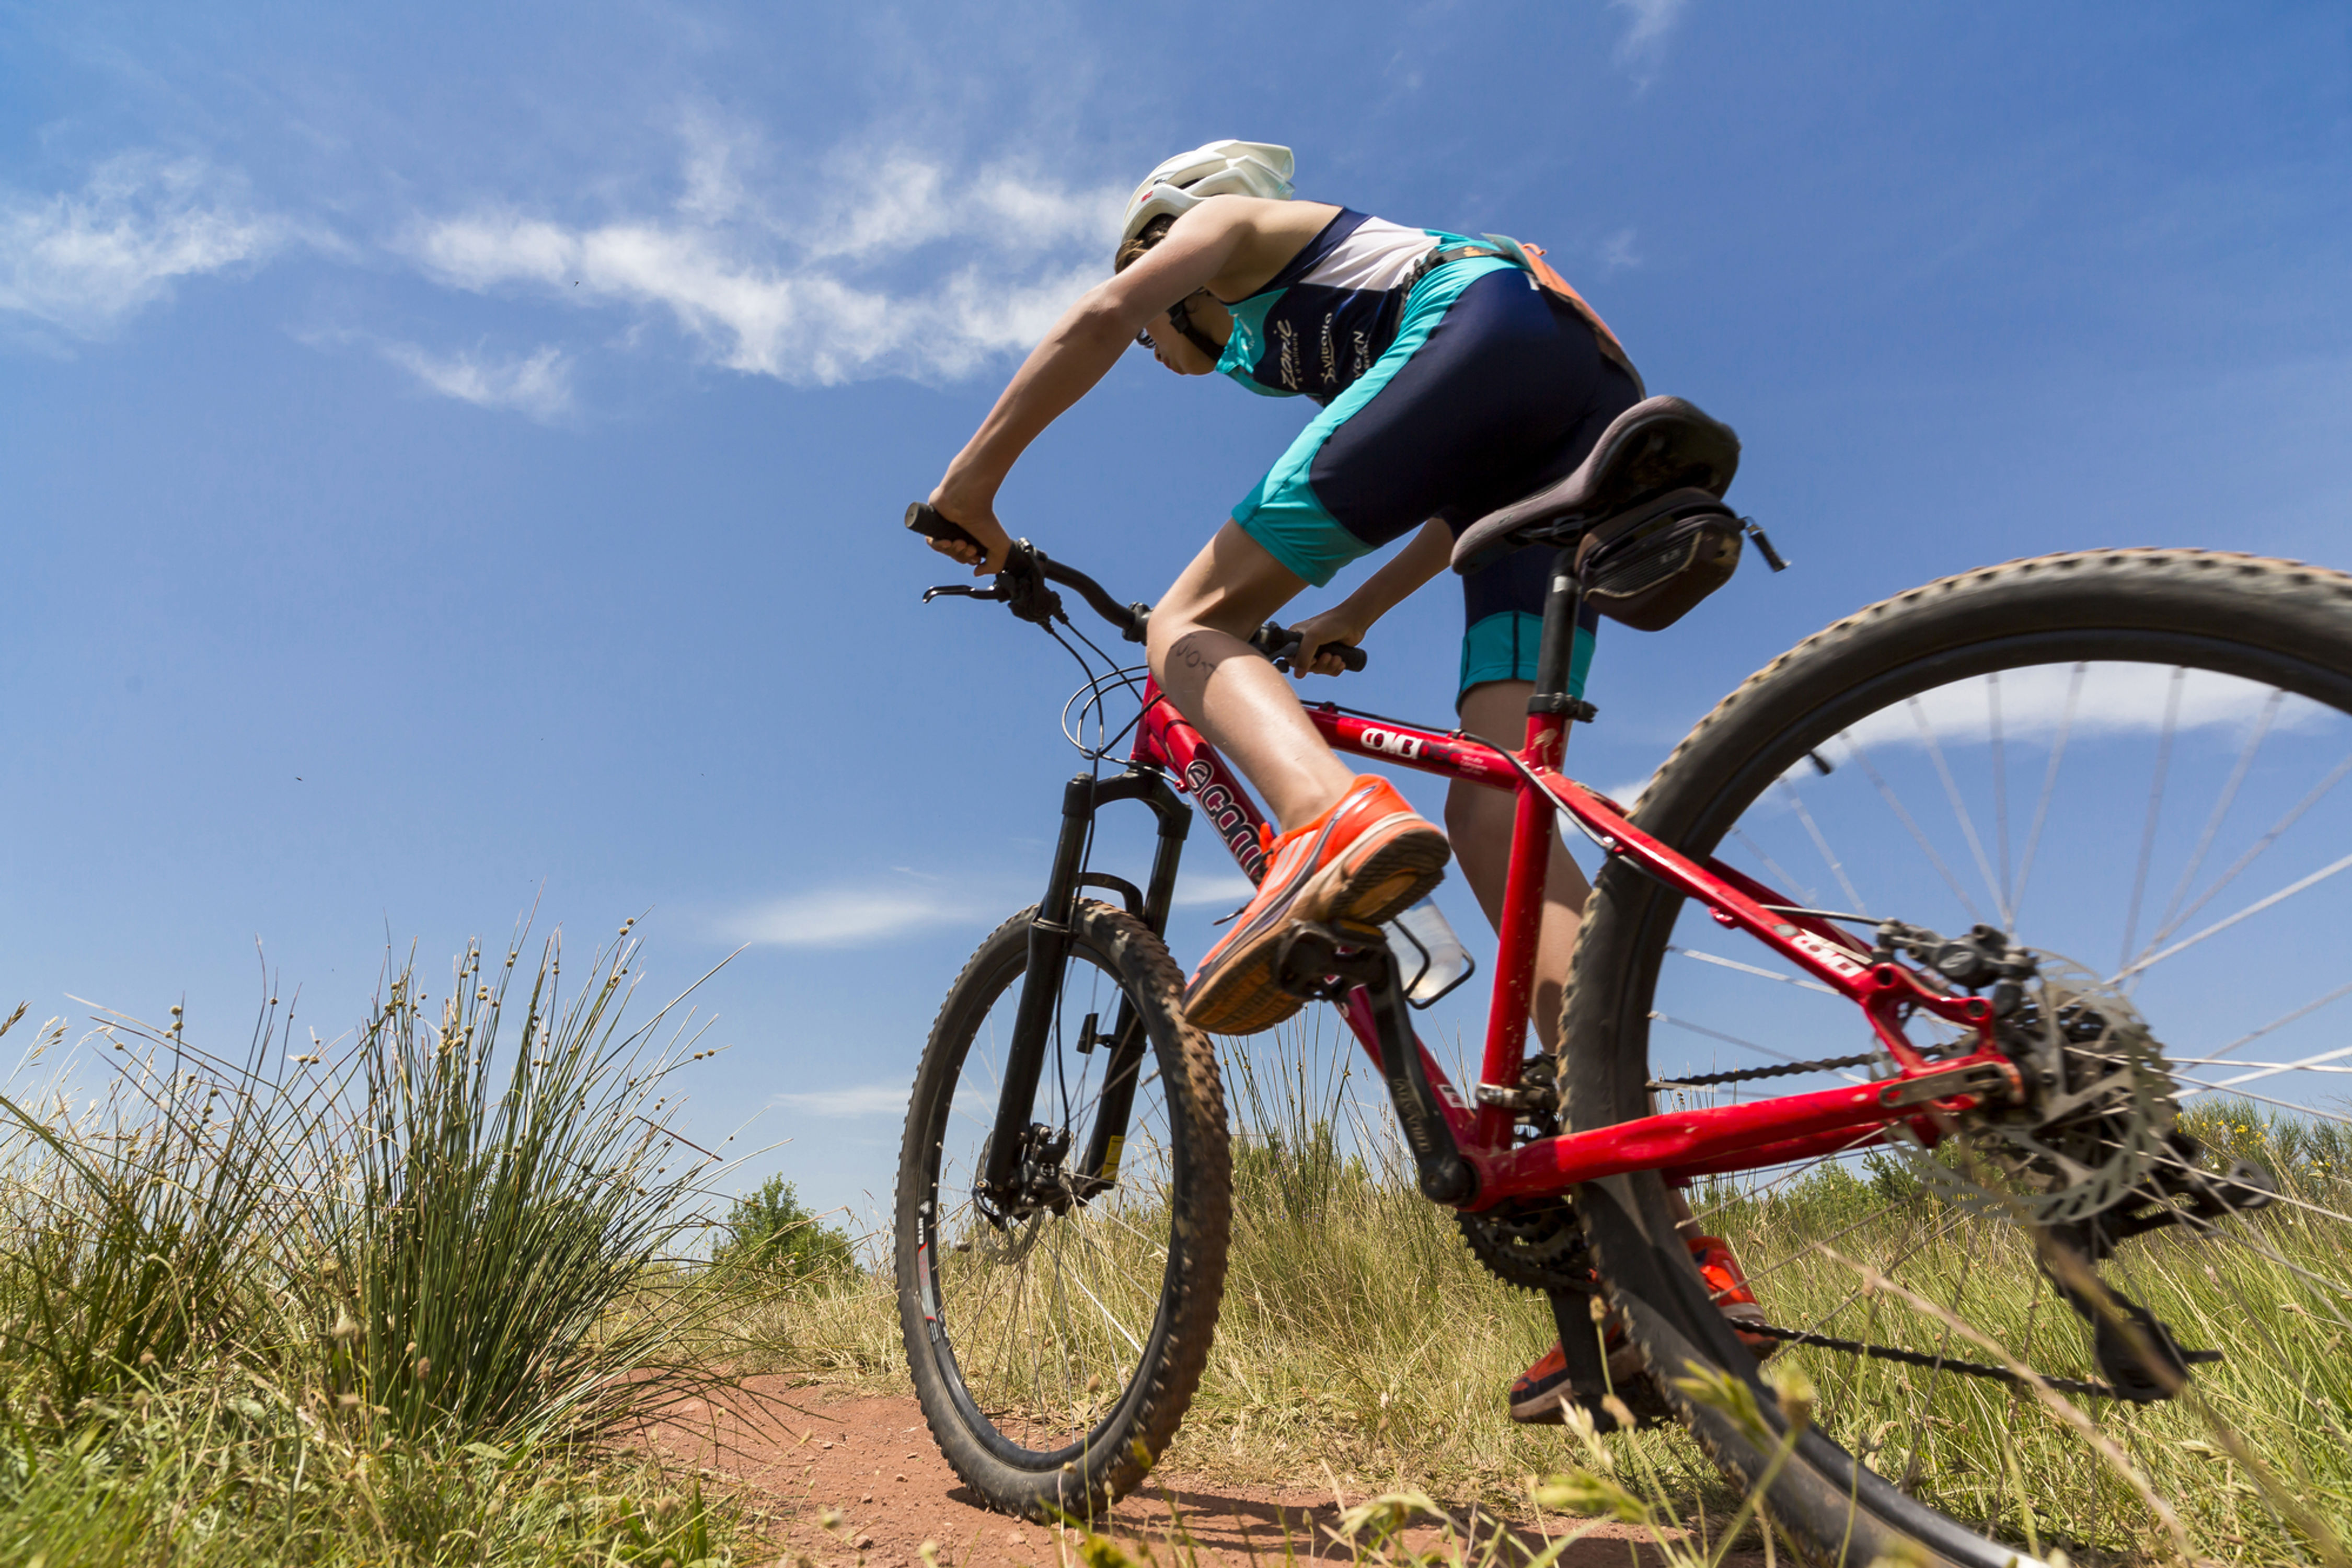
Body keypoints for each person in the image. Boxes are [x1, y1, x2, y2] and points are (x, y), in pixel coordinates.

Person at [920, 140, 1762, 1423]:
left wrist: (971, 488)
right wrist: (1343, 620)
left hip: (1488, 339)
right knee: (1497, 804)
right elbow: (1450, 496)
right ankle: (1670, 1251)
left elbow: (1101, 318)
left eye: (1154, 283)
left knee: (1187, 623)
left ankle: (1328, 820)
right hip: (1568, 426)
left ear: (1172, 230)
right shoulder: (1364, 311)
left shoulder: (1247, 234)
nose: (1156, 333)